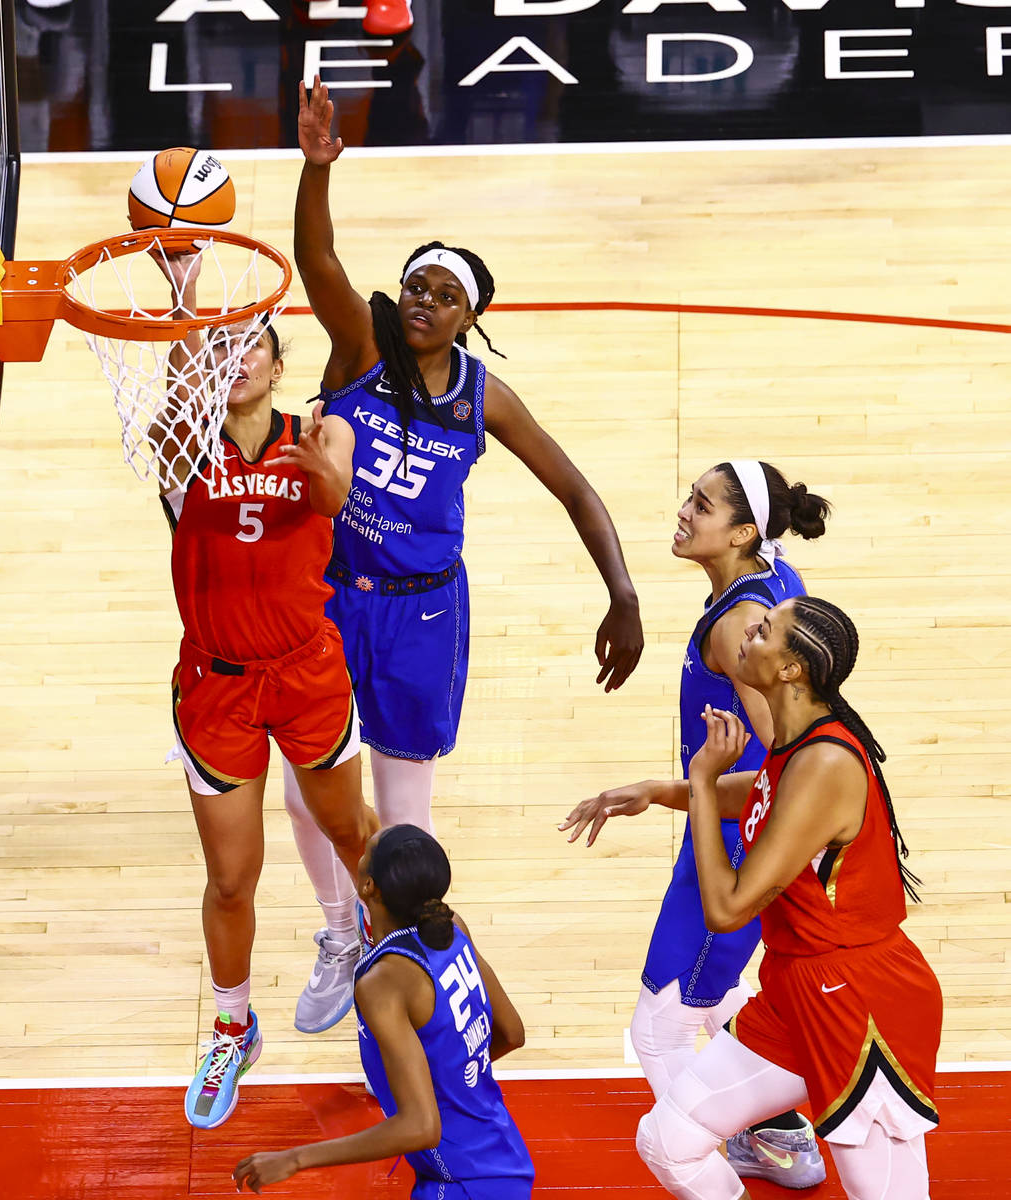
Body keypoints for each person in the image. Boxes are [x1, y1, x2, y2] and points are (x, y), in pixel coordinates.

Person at [285, 74, 645, 1038]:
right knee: (304, 783)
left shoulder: (484, 399)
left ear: (469, 317)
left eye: (445, 295)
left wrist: (622, 594)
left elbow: (574, 487)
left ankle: (397, 952)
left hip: (424, 612)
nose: (424, 301)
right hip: (331, 596)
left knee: (403, 812)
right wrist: (316, 170)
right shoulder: (359, 348)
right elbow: (314, 256)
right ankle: (336, 935)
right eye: (416, 284)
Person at [152, 253, 378, 1129]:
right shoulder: (183, 452)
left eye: (252, 344)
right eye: (222, 346)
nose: (236, 354)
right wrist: (181, 296)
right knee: (231, 879)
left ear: (280, 366)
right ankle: (231, 1025)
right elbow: (176, 411)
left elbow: (330, 497)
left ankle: (386, 975)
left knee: (356, 839)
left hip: (307, 673)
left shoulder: (322, 435)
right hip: (216, 686)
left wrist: (320, 449)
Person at [560, 460, 831, 1188]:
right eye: (690, 496)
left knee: (662, 1023)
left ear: (744, 531)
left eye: (702, 505)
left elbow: (786, 768)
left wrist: (674, 789)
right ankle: (778, 1134)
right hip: (737, 830)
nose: (684, 511)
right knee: (721, 996)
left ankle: (709, 1162)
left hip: (736, 843)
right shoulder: (777, 583)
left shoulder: (738, 631)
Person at [633, 597, 941, 1200]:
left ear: (791, 670)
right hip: (794, 993)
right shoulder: (798, 742)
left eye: (766, 629)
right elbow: (761, 790)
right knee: (668, 1139)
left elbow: (726, 911)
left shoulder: (826, 761)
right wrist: (656, 791)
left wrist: (698, 782)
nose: (750, 626)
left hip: (860, 1005)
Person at [233, 824, 534, 1197]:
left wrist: (294, 1158)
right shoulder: (452, 928)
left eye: (366, 853)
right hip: (502, 1158)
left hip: (461, 1182)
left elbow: (421, 1127)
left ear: (368, 886)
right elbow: (512, 1033)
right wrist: (450, 1080)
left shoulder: (383, 982)